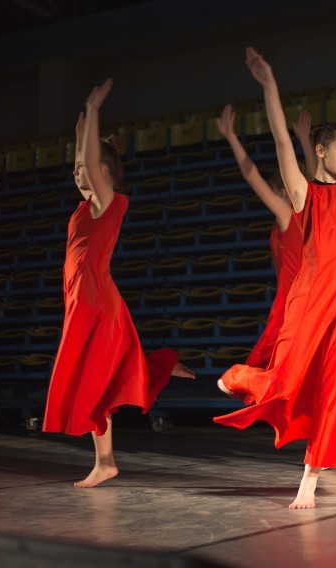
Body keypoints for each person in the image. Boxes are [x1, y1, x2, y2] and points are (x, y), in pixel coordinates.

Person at [214, 48, 336, 509]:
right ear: (321, 151)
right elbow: (284, 144)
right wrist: (269, 86)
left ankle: (310, 477)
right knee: (288, 380)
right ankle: (244, 377)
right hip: (311, 301)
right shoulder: (304, 194)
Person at [43, 78, 194, 488]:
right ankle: (107, 458)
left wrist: (92, 113)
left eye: (86, 167)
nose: (79, 174)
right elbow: (87, 161)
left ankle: (108, 454)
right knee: (98, 383)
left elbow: (92, 165)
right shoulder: (85, 204)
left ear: (106, 172)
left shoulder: (109, 203)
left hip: (96, 303)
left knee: (94, 382)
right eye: (74, 170)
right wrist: (81, 134)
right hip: (82, 301)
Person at [214, 104, 313, 373]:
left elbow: (251, 175)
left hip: (293, 300)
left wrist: (232, 137)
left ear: (282, 191)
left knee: (280, 366)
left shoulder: (287, 212)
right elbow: (316, 180)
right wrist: (304, 141)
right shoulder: (311, 212)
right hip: (309, 296)